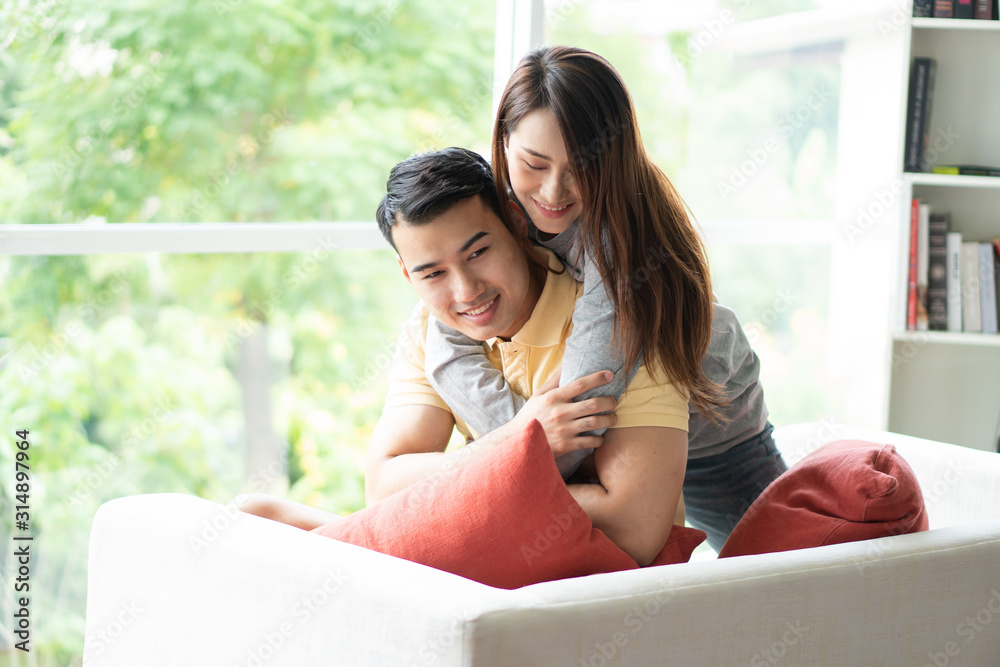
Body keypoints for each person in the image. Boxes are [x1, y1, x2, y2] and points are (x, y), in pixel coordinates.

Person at [243, 146, 692, 567]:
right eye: (433, 273)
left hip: (583, 578)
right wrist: (522, 437)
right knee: (252, 516)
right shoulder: (428, 332)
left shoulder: (617, 321)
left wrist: (452, 488)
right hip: (477, 557)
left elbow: (632, 528)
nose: (466, 291)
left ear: (516, 222)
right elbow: (384, 487)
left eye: (478, 253)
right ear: (407, 273)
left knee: (278, 539)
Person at [422, 45, 787, 551]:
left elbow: (578, 422)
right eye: (534, 163)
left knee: (782, 578)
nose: (553, 191)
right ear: (503, 143)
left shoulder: (619, 242)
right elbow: (443, 338)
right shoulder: (485, 210)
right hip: (631, 433)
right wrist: (525, 437)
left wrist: (511, 454)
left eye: (581, 168)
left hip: (721, 440)